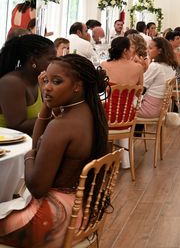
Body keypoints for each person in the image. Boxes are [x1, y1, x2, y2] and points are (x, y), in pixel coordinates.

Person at [0, 54, 109, 248]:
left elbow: (37, 188)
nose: (47, 87)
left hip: (52, 220)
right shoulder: (89, 113)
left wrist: (28, 156)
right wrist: (45, 107)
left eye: (56, 82)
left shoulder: (62, 125)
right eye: (46, 81)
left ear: (77, 86)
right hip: (80, 212)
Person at [0, 35, 56, 135]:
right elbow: (17, 127)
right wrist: (57, 115)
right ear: (34, 60)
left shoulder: (40, 80)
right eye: (51, 59)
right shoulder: (11, 82)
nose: (55, 63)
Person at [137, 37, 178, 118]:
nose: (147, 50)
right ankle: (137, 130)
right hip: (161, 109)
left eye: (150, 48)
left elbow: (141, 89)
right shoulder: (171, 66)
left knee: (121, 105)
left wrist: (140, 69)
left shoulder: (155, 66)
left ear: (160, 50)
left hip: (149, 109)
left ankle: (129, 130)